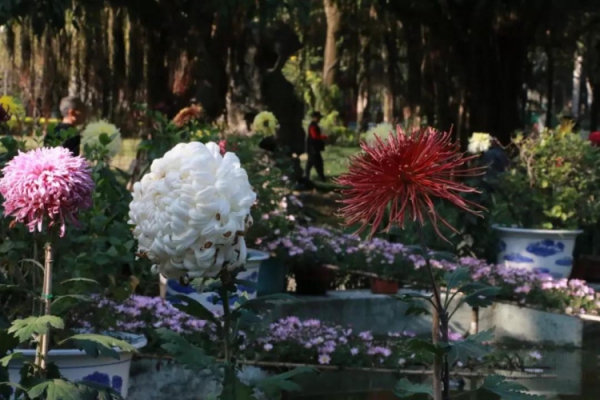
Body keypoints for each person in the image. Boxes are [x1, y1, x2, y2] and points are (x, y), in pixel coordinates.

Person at [305, 111, 327, 182]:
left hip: (313, 148)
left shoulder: (314, 125)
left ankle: (306, 176)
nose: (319, 119)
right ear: (315, 118)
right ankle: (322, 178)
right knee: (318, 163)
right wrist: (324, 137)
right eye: (319, 118)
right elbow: (315, 136)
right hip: (313, 148)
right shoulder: (313, 126)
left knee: (310, 163)